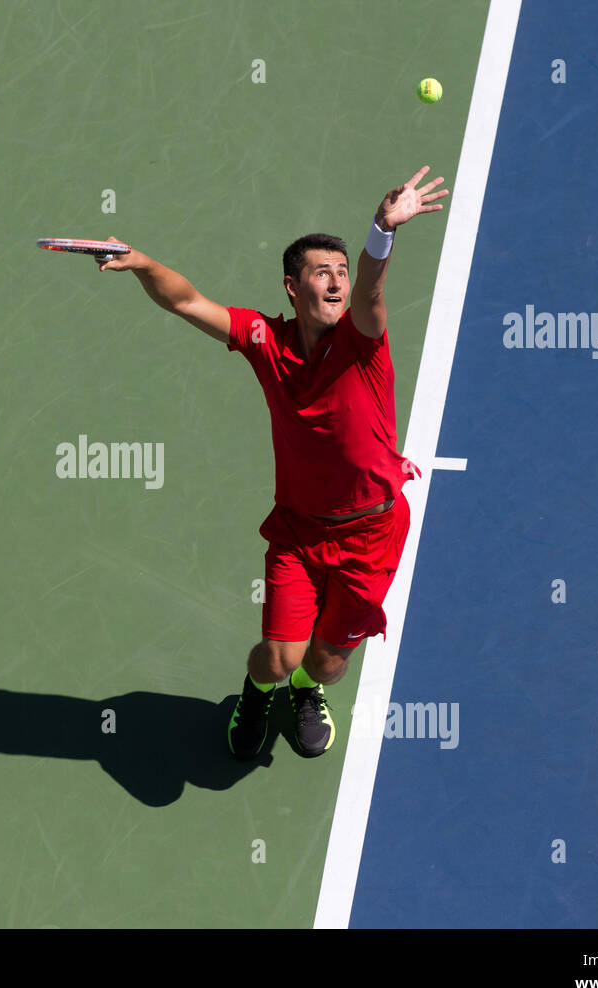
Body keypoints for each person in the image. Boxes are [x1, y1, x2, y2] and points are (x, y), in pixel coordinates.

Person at [98, 166, 448, 760]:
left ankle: (309, 691)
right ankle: (259, 694)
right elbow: (185, 300)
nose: (336, 283)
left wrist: (382, 231)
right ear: (293, 286)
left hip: (374, 533)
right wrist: (140, 262)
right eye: (321, 273)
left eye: (340, 271)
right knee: (279, 656)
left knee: (328, 663)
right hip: (299, 532)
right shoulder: (265, 340)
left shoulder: (362, 343)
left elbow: (371, 289)